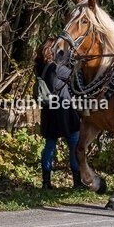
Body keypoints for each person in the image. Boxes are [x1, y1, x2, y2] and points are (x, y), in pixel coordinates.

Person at [34, 37, 83, 190]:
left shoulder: (39, 66)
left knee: (49, 146)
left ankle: (46, 182)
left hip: (49, 112)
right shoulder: (57, 68)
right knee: (74, 145)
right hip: (65, 110)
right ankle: (77, 182)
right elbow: (76, 76)